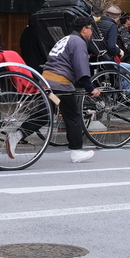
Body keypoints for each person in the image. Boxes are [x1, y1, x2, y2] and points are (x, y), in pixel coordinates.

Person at [28, 15, 101, 163]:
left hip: (47, 80)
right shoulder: (78, 42)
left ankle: (16, 135)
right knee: (73, 117)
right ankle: (76, 152)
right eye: (90, 29)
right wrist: (90, 88)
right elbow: (81, 67)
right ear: (84, 29)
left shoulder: (66, 39)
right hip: (60, 83)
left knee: (44, 114)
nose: (91, 33)